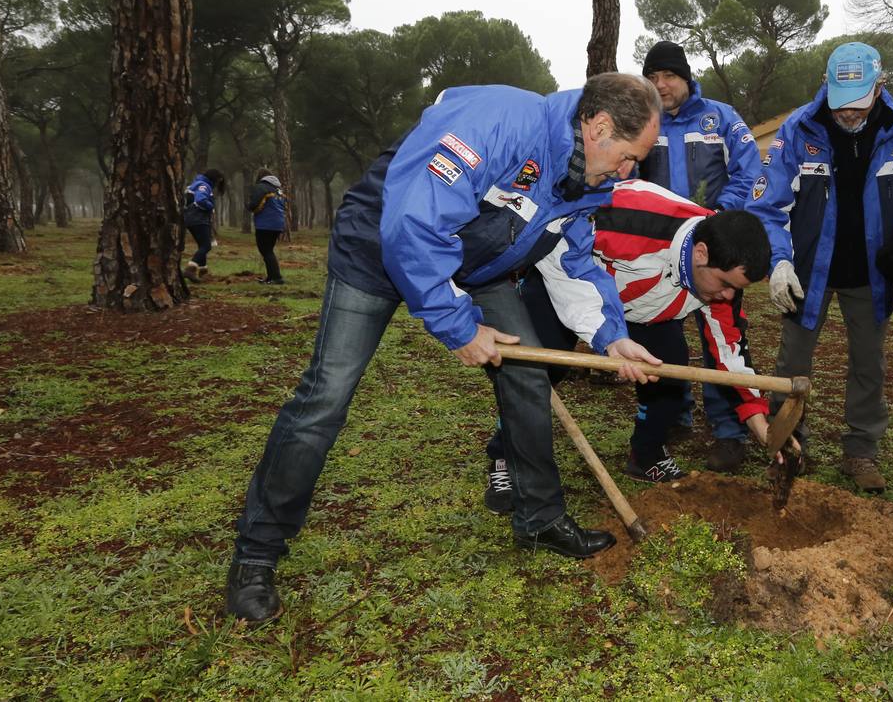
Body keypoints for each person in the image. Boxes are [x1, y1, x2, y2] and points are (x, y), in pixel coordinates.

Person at [225, 74, 663, 624]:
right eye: (629, 157)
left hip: (474, 267)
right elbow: (414, 223)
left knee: (527, 377)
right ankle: (257, 552)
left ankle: (539, 519)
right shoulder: (498, 123)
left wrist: (612, 337)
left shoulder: (586, 179)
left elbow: (570, 259)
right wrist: (459, 327)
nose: (628, 173)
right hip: (377, 249)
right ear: (598, 127)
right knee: (326, 396)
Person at [484, 180, 793, 511]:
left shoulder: (723, 279)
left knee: (670, 372)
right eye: (725, 284)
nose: (728, 296)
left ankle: (646, 455)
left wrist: (762, 425)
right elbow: (555, 234)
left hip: (644, 309)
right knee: (534, 371)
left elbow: (731, 354)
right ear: (701, 253)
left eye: (736, 289)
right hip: (568, 284)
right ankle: (505, 456)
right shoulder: (629, 217)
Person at [748, 41, 893, 492]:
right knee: (792, 363)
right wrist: (779, 262)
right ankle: (789, 446)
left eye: (858, 103)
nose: (848, 113)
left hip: (873, 272)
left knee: (869, 363)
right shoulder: (799, 128)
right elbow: (769, 206)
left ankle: (861, 451)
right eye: (840, 102)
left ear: (880, 86)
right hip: (808, 271)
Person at [637, 41, 764, 472]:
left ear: (687, 78)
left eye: (669, 76)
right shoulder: (644, 120)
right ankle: (673, 415)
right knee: (661, 339)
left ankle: (728, 432)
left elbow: (750, 174)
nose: (661, 85)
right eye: (652, 78)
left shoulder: (721, 118)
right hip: (661, 256)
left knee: (721, 339)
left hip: (714, 255)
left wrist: (717, 220)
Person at [183, 169, 226, 279]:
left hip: (189, 219)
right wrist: (211, 207)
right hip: (199, 219)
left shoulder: (194, 184)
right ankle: (191, 268)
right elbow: (201, 200)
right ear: (214, 179)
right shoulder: (203, 186)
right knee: (207, 246)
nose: (217, 185)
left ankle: (203, 272)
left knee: (202, 245)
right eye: (218, 182)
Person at [247, 170, 288, 285]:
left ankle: (276, 278)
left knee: (266, 251)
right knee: (268, 250)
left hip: (265, 224)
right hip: (277, 224)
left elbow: (254, 204)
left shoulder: (261, 187)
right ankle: (271, 277)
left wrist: (248, 206)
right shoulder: (278, 189)